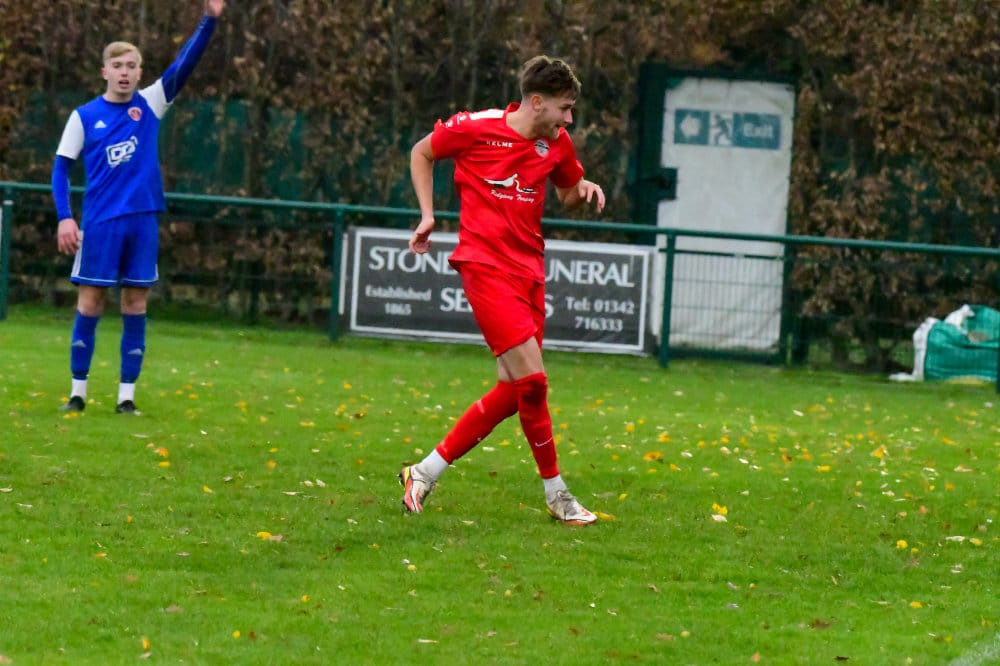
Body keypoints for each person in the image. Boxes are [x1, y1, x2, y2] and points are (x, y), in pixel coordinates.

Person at [400, 55, 606, 525]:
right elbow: (421, 152)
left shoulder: (557, 143)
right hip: (484, 266)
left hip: (529, 271)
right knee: (533, 382)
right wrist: (428, 215)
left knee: (516, 392)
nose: (569, 119)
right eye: (564, 108)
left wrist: (584, 188)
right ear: (537, 102)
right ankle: (557, 495)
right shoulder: (475, 128)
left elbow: (567, 194)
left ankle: (423, 471)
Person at [52, 0, 225, 415]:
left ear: (140, 72)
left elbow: (184, 65)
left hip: (143, 221)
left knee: (135, 304)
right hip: (101, 223)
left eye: (132, 65)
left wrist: (209, 20)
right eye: (118, 66)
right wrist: (65, 217)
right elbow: (60, 169)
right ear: (105, 71)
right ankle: (77, 393)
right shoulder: (84, 116)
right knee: (90, 303)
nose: (125, 72)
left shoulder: (150, 103)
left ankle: (126, 398)